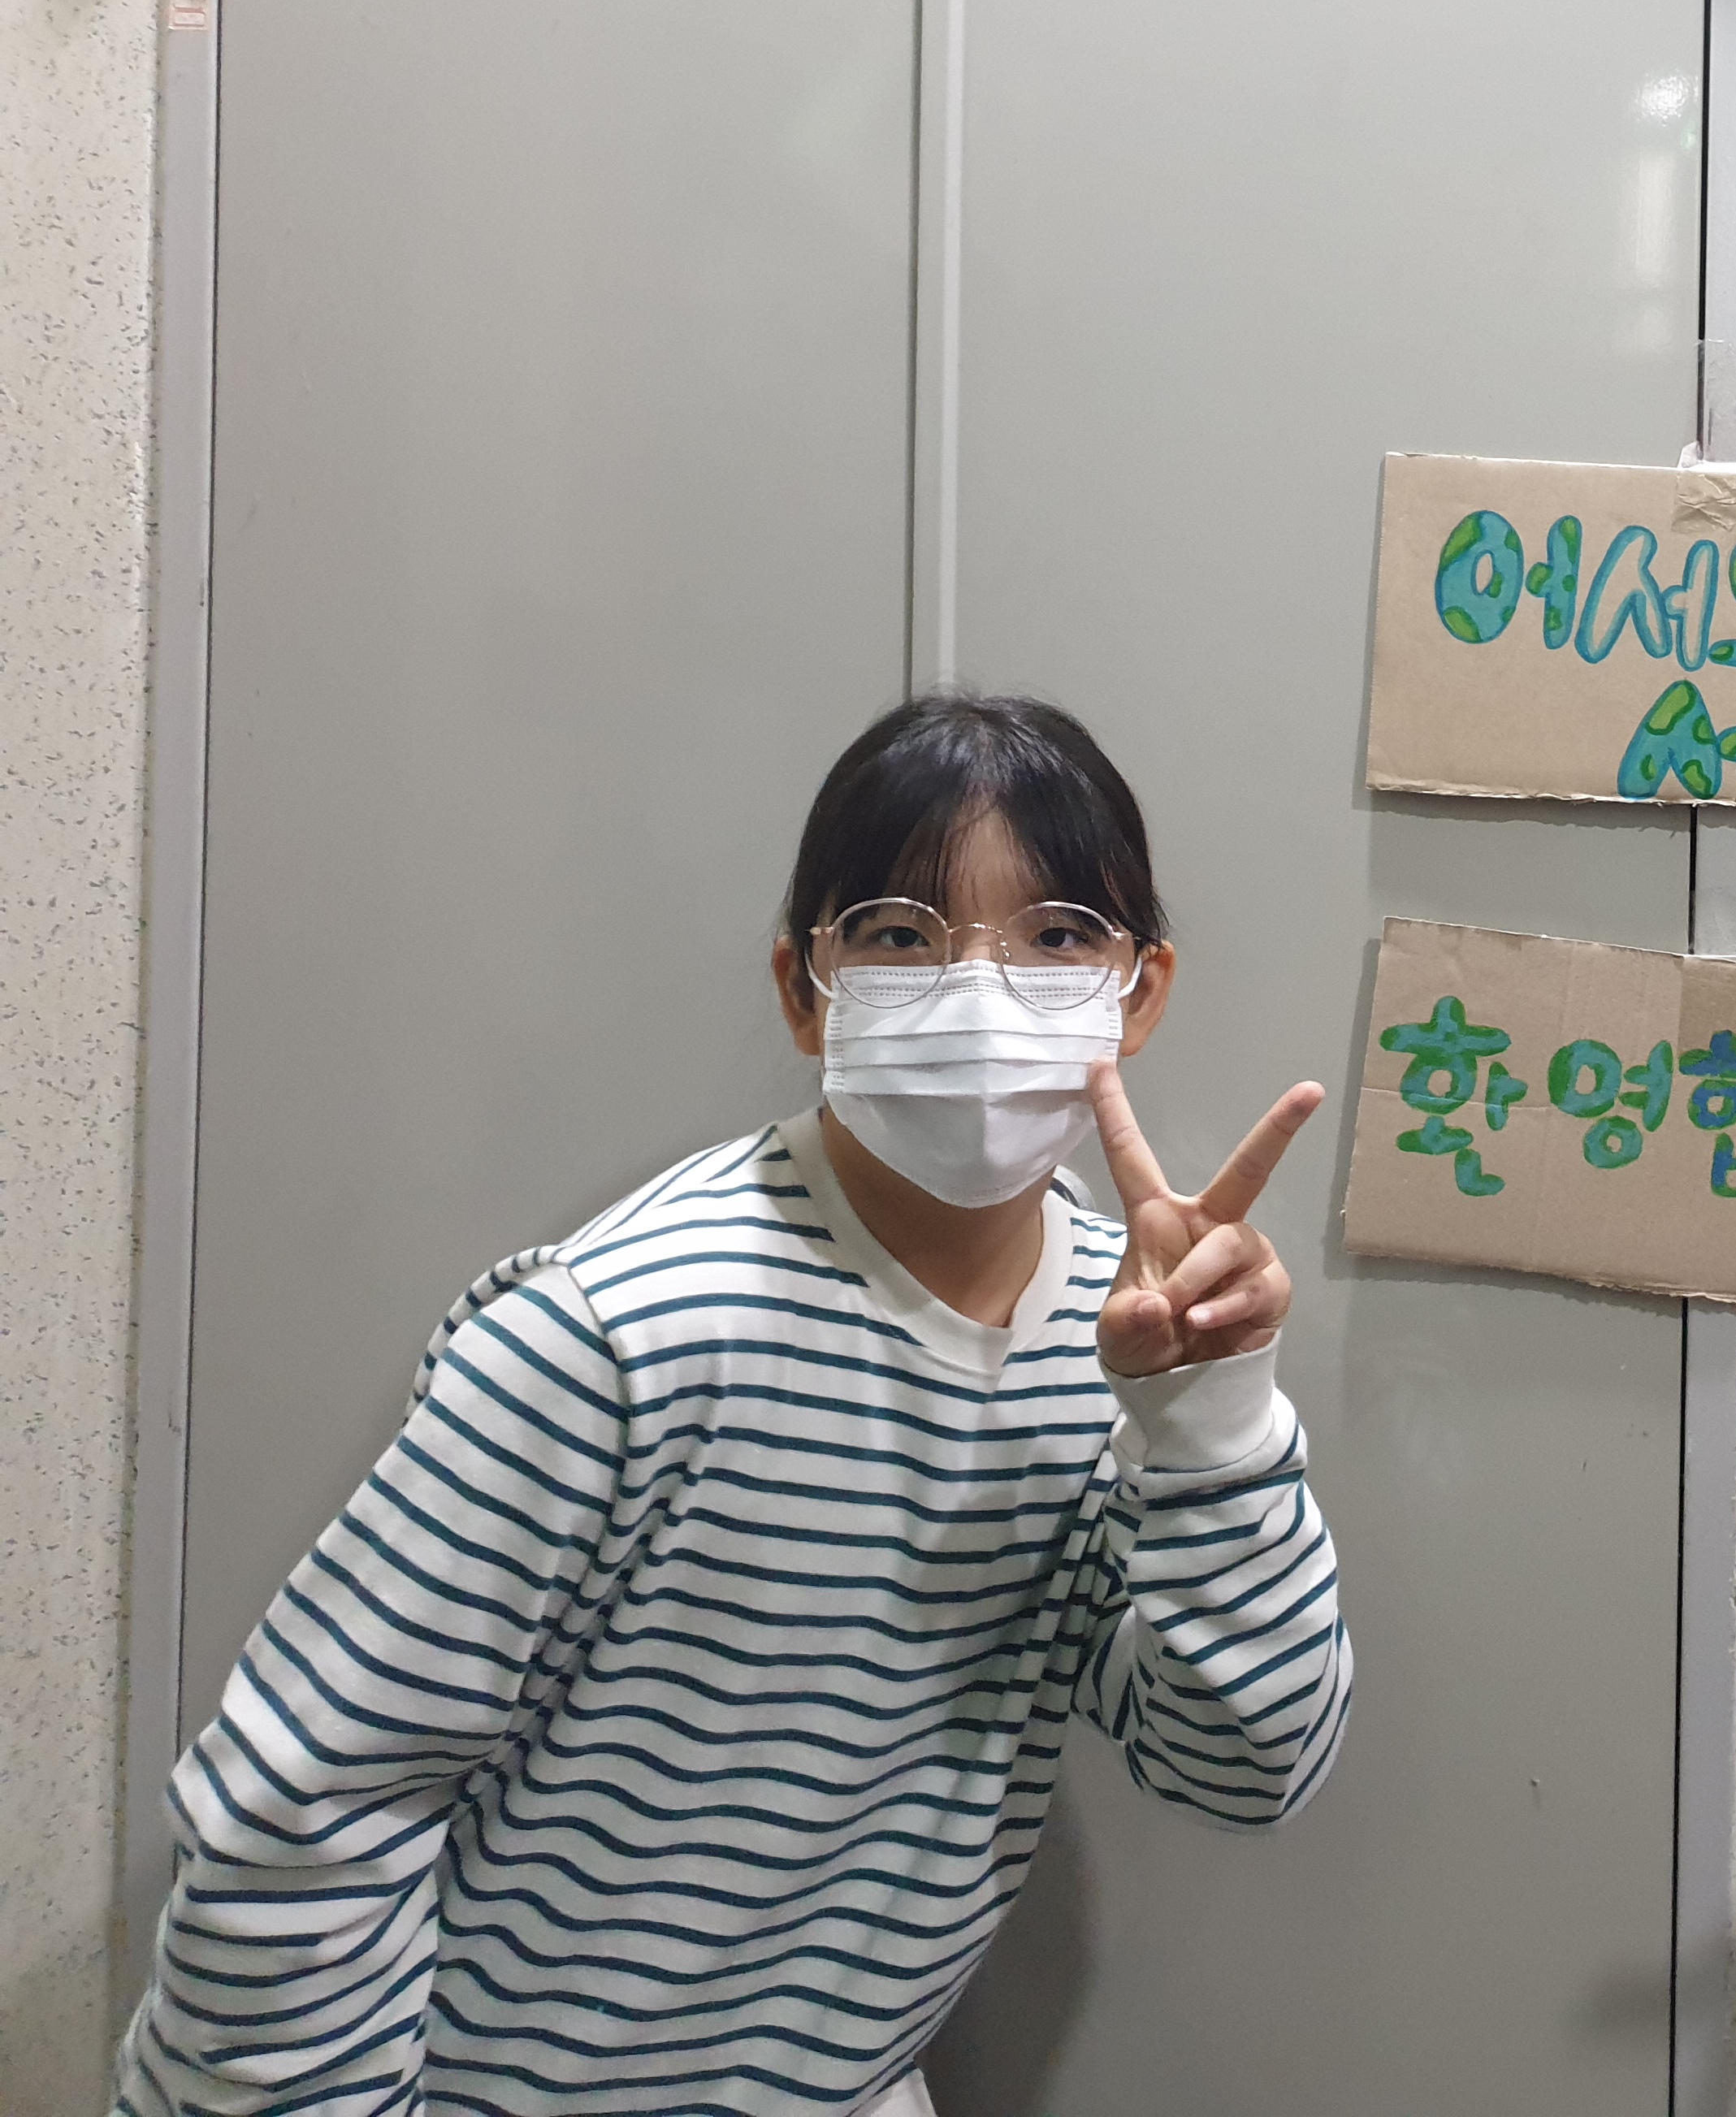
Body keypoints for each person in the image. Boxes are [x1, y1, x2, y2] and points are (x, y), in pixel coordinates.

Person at [118, 694, 1353, 2116]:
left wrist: (1212, 1414)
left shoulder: (1123, 1331)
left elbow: (1241, 1767)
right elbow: (308, 1813)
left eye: (1058, 937)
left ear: (1139, 990)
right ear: (802, 986)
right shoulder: (613, 1335)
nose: (980, 991)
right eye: (899, 935)